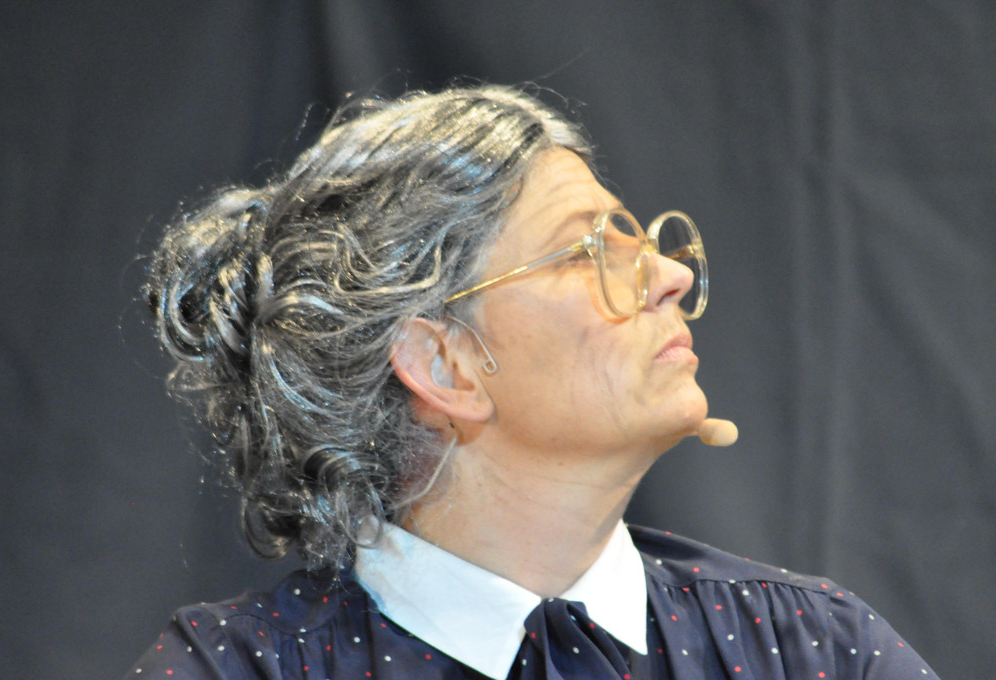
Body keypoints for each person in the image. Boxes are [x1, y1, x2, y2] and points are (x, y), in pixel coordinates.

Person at [126, 85, 937, 679]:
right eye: (590, 251)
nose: (670, 275)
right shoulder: (233, 670)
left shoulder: (811, 648)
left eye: (638, 238)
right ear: (443, 365)